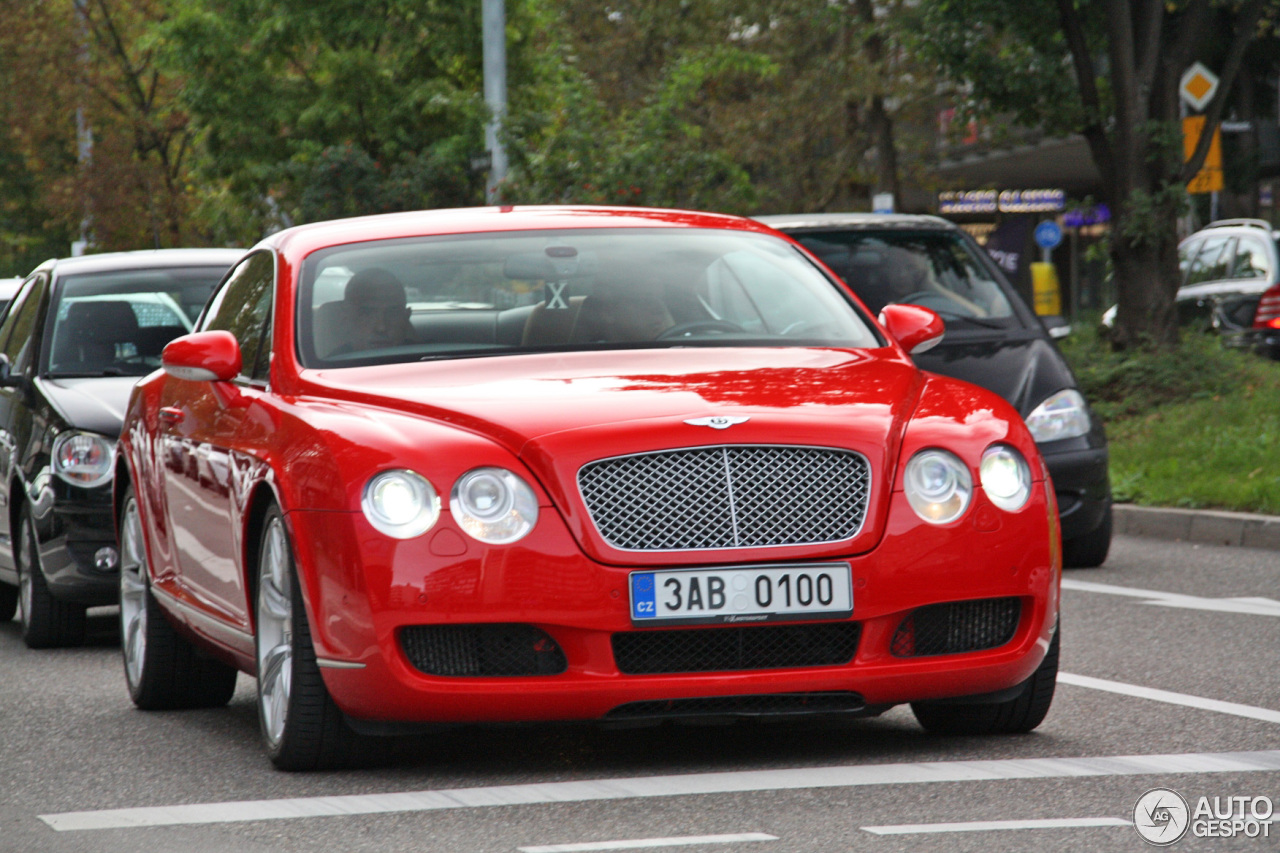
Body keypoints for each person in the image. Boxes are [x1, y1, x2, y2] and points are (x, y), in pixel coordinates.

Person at [335, 268, 417, 354]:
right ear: (345, 318)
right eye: (367, 314)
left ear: (406, 317)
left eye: (392, 313)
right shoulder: (331, 365)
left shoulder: (427, 359)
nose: (381, 327)